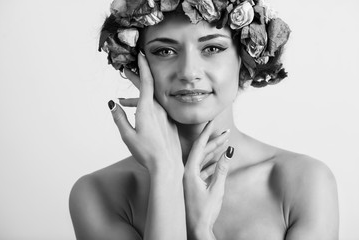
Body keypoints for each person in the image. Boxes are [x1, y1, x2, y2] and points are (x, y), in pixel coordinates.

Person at [69, 0, 339, 239]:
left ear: (245, 60)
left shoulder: (304, 182)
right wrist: (167, 173)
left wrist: (201, 231)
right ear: (135, 65)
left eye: (211, 48)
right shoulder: (97, 194)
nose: (188, 72)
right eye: (164, 51)